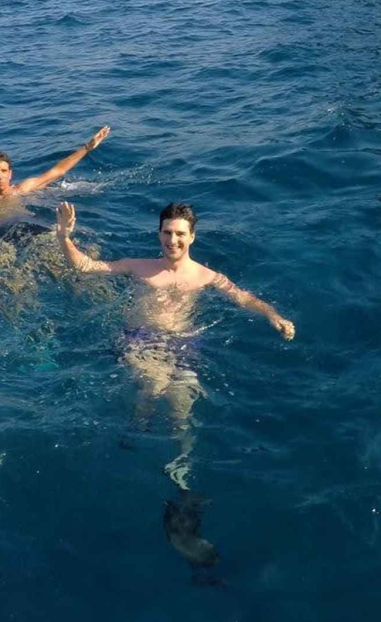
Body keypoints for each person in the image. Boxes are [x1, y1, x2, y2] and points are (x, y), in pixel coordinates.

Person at [54, 200, 294, 491]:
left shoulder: (207, 276)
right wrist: (64, 236)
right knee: (155, 384)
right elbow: (86, 266)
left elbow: (243, 298)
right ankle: (136, 432)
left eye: (180, 234)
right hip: (140, 339)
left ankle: (181, 462)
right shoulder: (138, 267)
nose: (173, 240)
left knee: (182, 404)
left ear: (192, 236)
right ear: (159, 234)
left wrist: (273, 315)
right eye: (167, 233)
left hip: (183, 342)